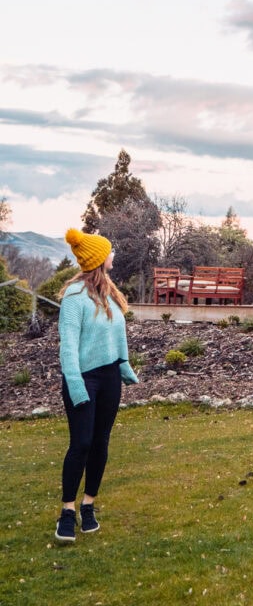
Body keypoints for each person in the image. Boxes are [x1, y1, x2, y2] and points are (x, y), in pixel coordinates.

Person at [54, 228, 139, 543]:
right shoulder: (74, 299)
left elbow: (118, 336)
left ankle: (88, 506)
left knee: (101, 442)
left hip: (108, 379)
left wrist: (124, 366)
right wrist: (76, 386)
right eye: (110, 251)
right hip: (83, 379)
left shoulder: (110, 295)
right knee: (82, 444)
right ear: (99, 259)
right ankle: (66, 511)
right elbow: (68, 347)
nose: (113, 254)